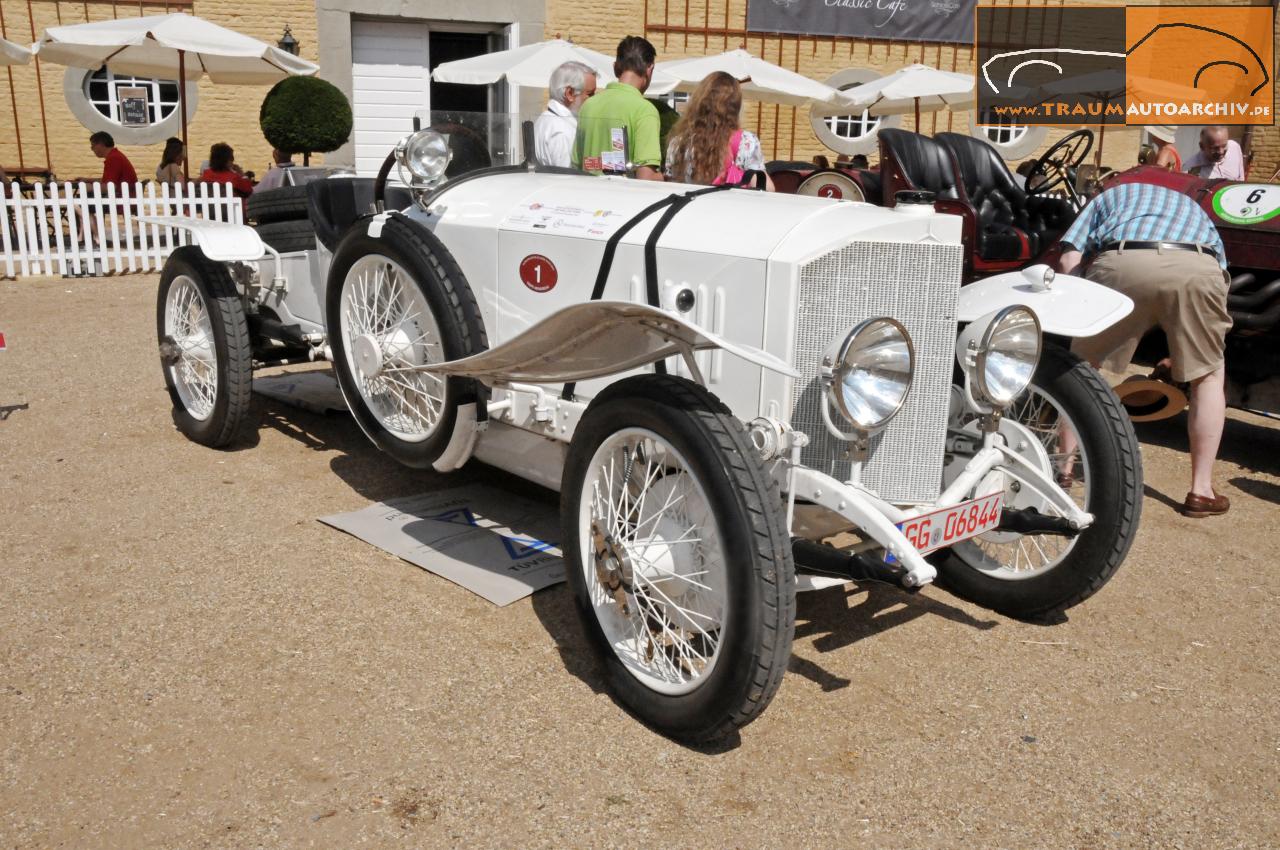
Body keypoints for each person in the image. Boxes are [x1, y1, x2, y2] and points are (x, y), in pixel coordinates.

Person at [1056, 182, 1232, 517]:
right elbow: (1221, 271)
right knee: (1209, 376)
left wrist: (1077, 304)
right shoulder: (1191, 205)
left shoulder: (1108, 196)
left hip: (1125, 260)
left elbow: (1069, 259)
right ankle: (1201, 491)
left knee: (1080, 368)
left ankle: (1064, 471)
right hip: (1196, 265)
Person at [664, 72, 774, 191]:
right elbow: (766, 188)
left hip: (689, 208)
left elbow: (670, 185)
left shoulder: (678, 143)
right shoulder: (745, 141)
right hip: (728, 208)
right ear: (736, 106)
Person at [573, 36, 663, 180]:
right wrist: (668, 178)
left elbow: (578, 164)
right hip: (623, 200)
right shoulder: (645, 111)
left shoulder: (588, 105)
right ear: (650, 70)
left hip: (587, 197)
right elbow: (646, 178)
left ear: (615, 67)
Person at [534, 61, 596, 168]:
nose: (594, 99)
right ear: (569, 93)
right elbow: (567, 176)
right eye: (590, 94)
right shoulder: (562, 130)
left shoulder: (545, 119)